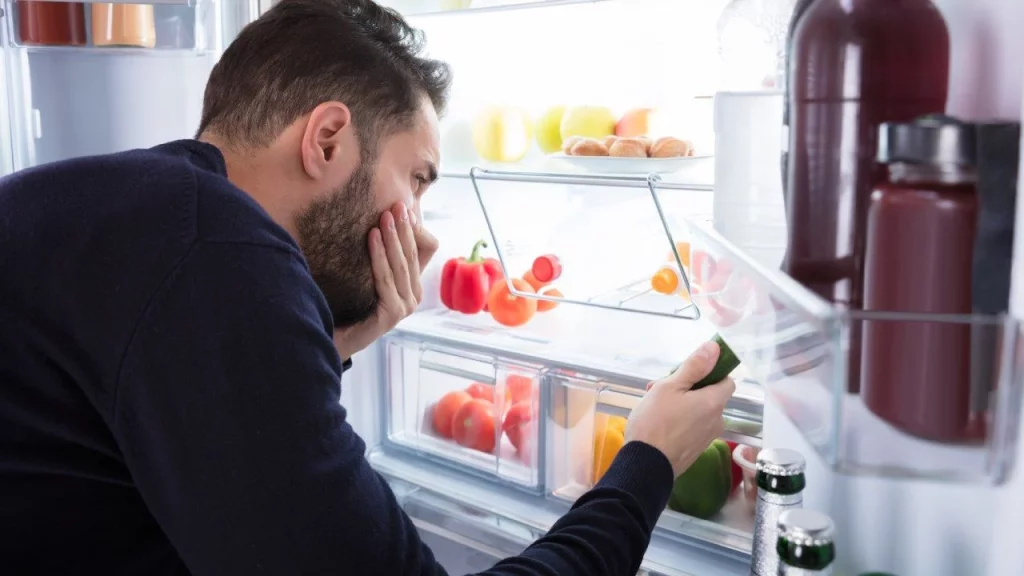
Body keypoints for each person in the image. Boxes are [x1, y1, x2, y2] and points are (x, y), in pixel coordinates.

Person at [0, 0, 736, 574]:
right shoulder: (221, 253)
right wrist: (647, 463)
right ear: (326, 140)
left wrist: (336, 339)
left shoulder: (143, 210)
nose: (421, 227)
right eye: (415, 179)